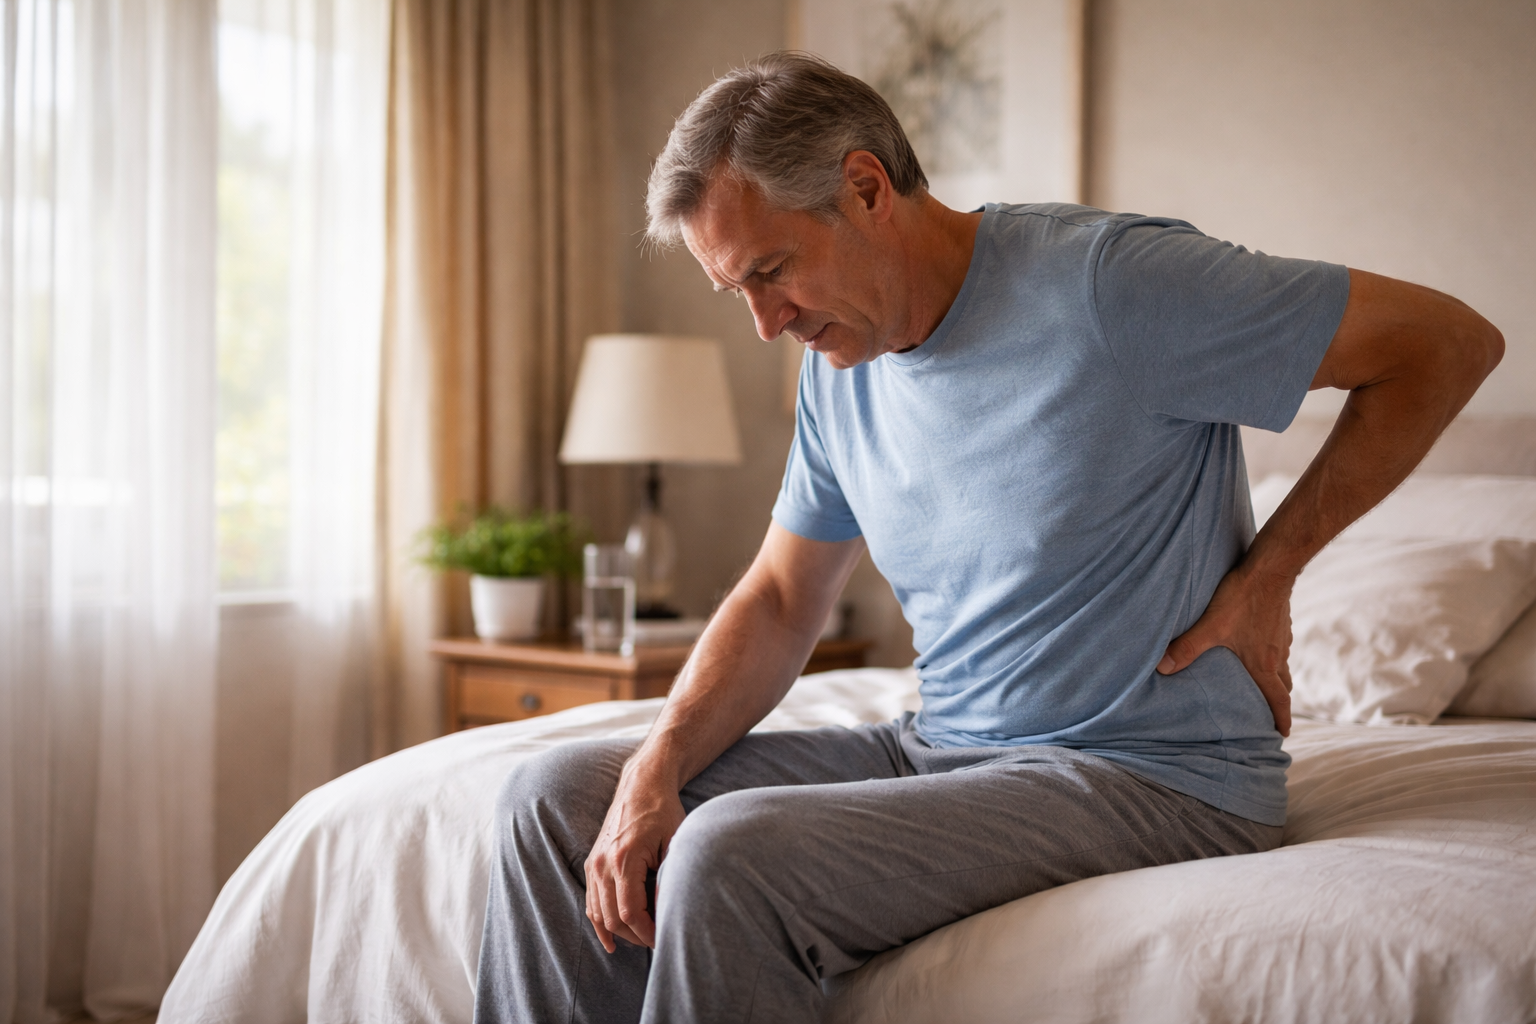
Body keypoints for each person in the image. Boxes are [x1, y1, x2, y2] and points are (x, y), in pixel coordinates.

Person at [472, 52, 1502, 1024]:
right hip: (946, 750)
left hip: (1147, 771)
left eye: (772, 271)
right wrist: (655, 765)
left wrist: (1271, 573)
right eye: (734, 289)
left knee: (728, 853)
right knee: (553, 803)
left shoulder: (1116, 286)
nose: (764, 322)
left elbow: (1447, 345)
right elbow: (784, 599)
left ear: (868, 188)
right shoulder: (843, 366)